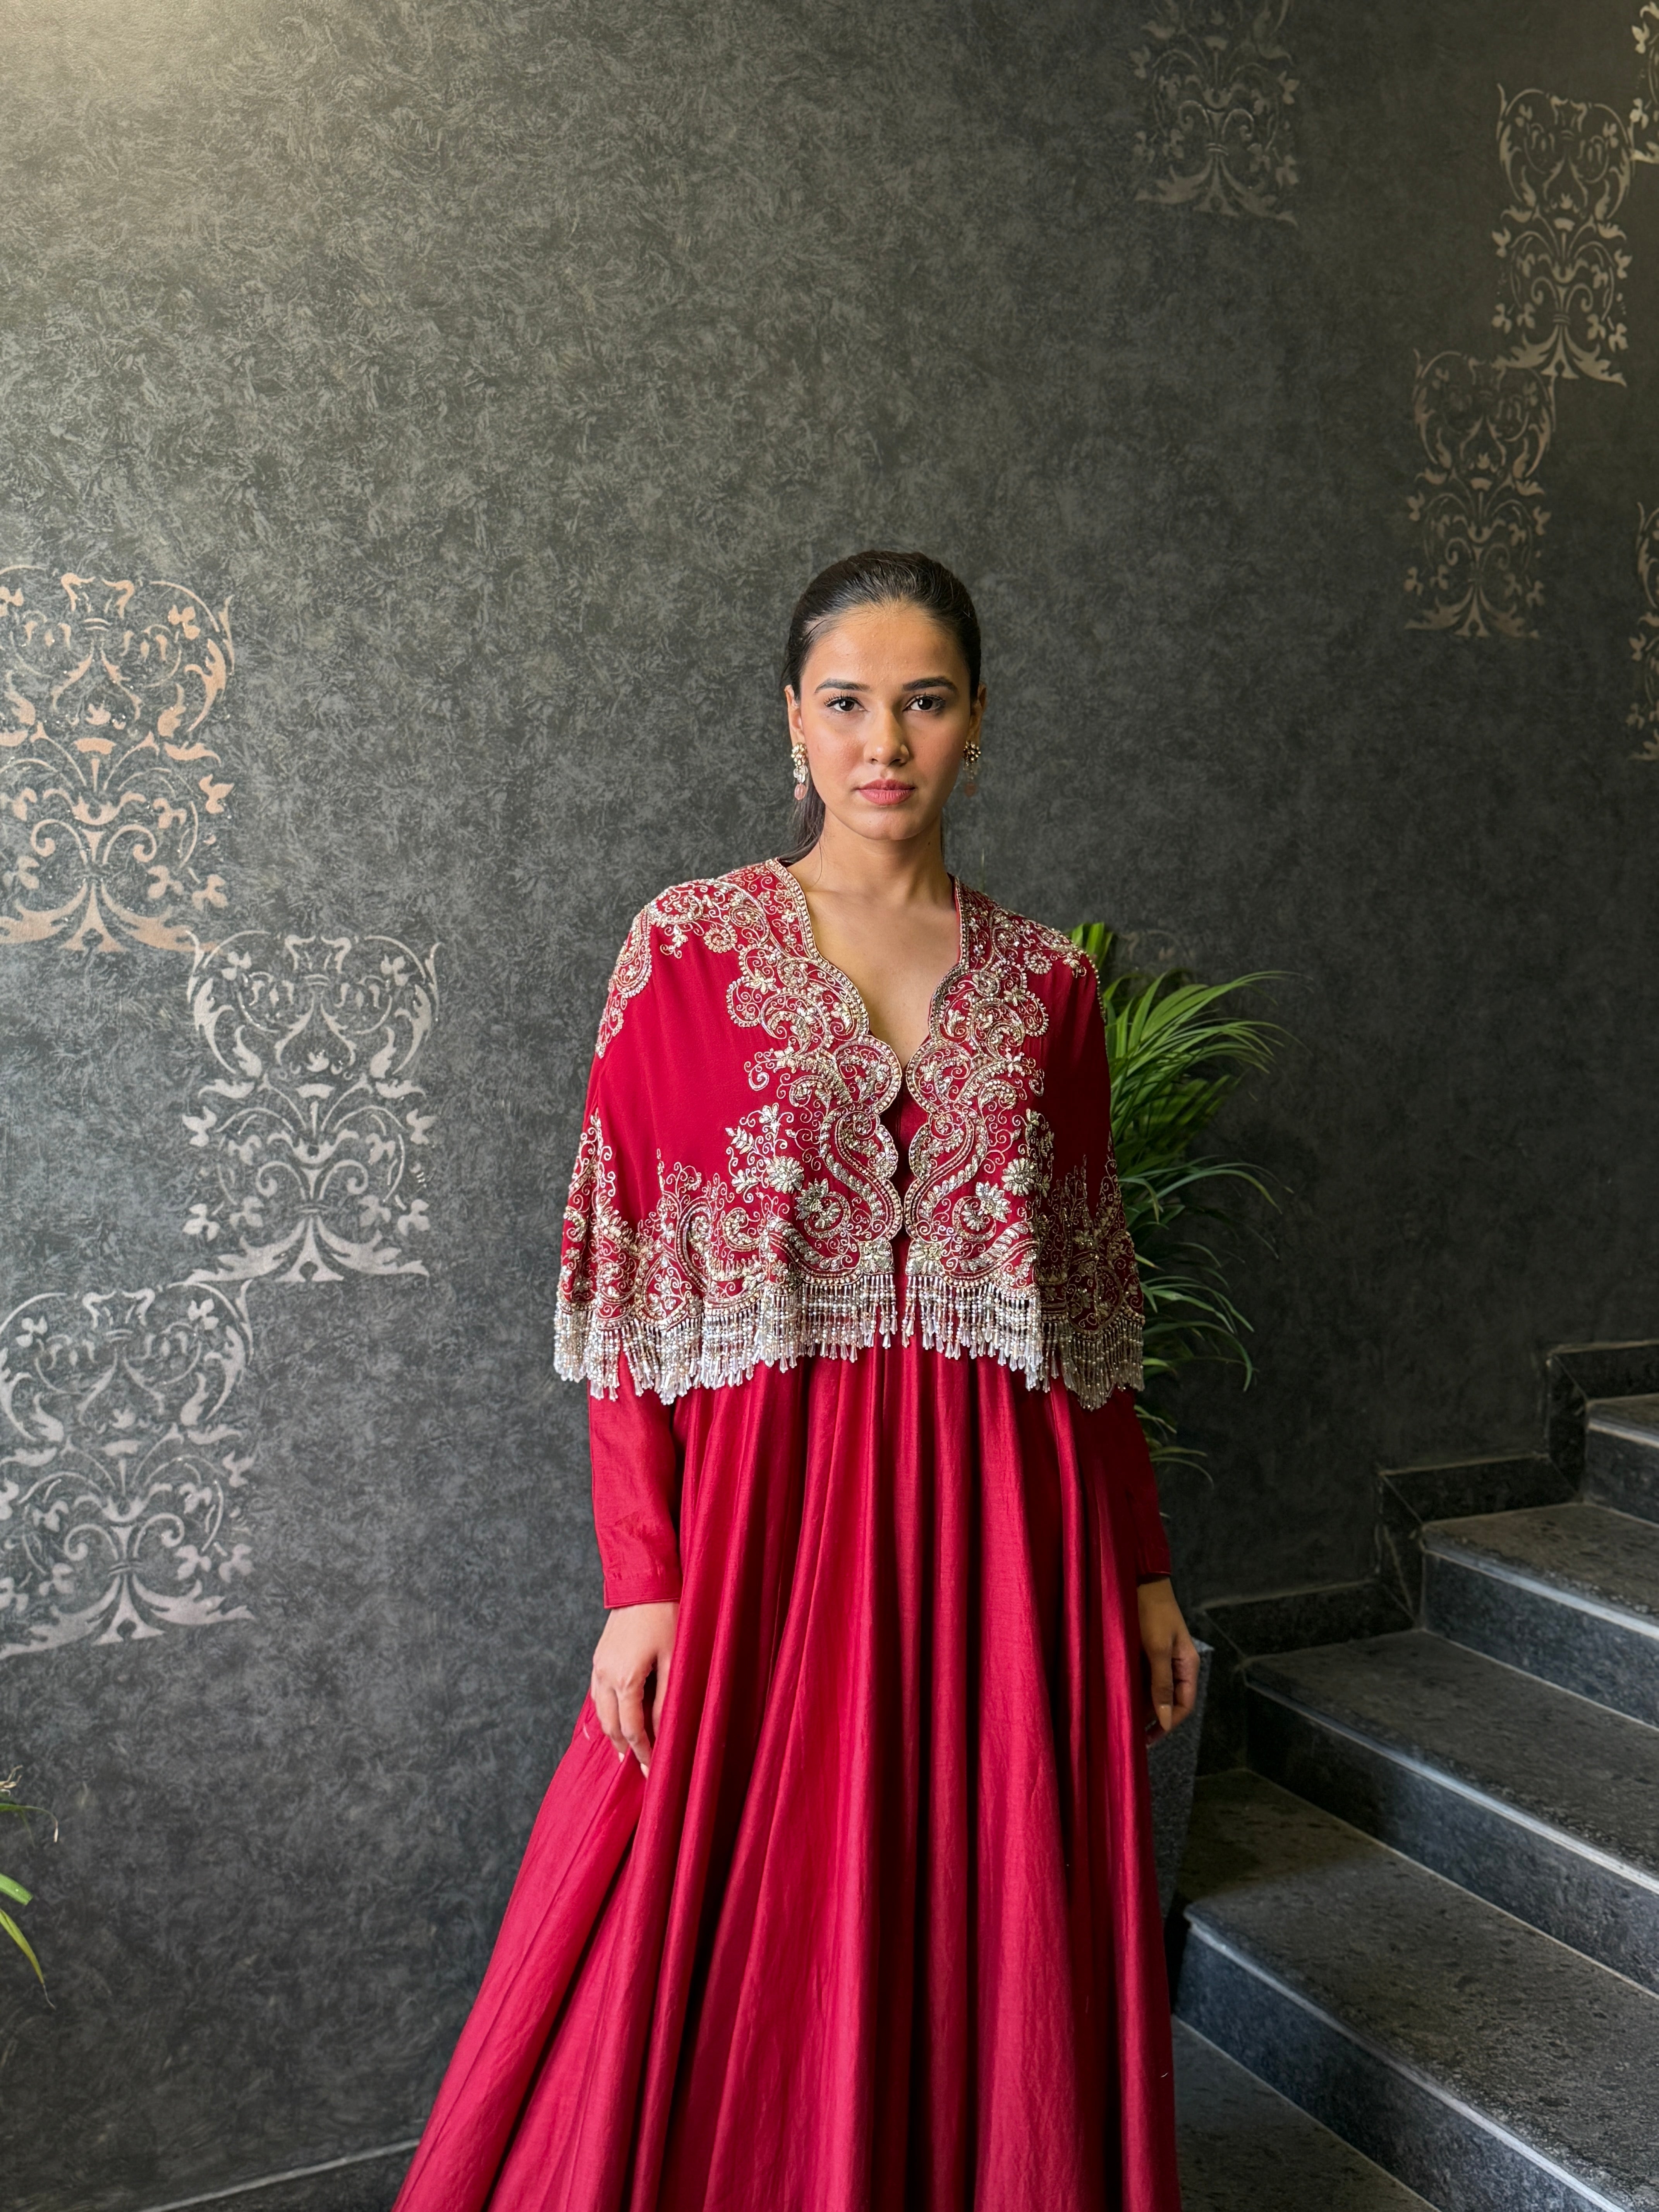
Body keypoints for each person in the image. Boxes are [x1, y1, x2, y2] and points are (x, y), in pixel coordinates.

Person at [395, 550, 1199, 2212]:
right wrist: (643, 1583)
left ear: (979, 726)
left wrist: (1141, 1570)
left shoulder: (1048, 989)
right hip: (772, 1533)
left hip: (1008, 1538)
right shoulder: (684, 948)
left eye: (923, 702)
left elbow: (1092, 1315)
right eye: (847, 704)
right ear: (793, 726)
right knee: (732, 1927)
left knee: (992, 1916)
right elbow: (624, 1301)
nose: (882, 742)